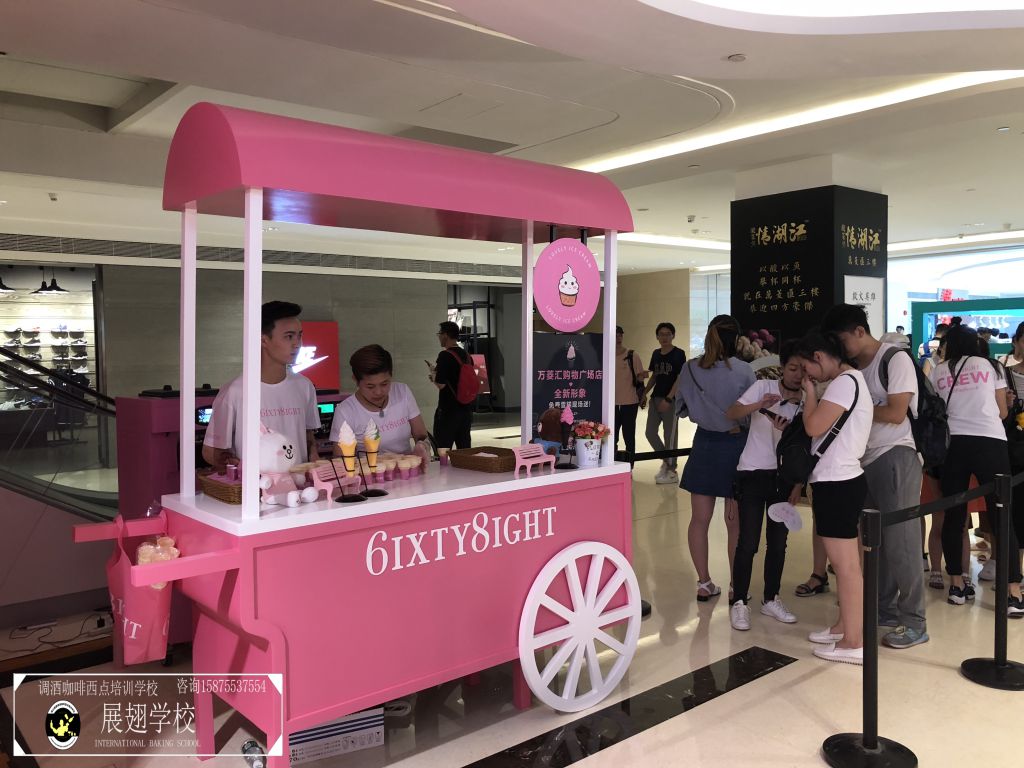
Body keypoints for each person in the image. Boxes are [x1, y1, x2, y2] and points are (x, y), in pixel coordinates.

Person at [823, 304, 928, 649]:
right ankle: (883, 609)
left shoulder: (894, 360)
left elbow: (897, 413)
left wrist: (856, 409)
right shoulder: (852, 369)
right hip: (861, 461)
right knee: (874, 541)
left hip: (895, 455)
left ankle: (914, 621)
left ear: (859, 331)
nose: (840, 348)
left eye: (842, 340)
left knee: (902, 541)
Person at [930, 326, 1022, 615]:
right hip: (989, 443)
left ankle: (957, 585)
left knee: (954, 515)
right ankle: (1013, 592)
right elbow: (1002, 412)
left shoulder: (939, 370)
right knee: (1001, 515)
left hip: (953, 446)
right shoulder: (991, 366)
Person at [794, 330, 873, 665]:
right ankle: (845, 627)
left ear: (819, 356)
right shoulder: (853, 380)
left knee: (846, 566)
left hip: (838, 481)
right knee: (847, 564)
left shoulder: (843, 382)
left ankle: (854, 642)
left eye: (807, 368)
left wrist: (810, 394)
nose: (808, 375)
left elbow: (813, 427)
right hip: (841, 479)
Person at [724, 340, 803, 631]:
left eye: (803, 370)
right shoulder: (762, 387)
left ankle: (771, 598)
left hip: (783, 478)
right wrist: (760, 405)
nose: (797, 375)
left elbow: (805, 447)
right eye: (792, 368)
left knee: (779, 542)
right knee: (748, 541)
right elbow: (732, 412)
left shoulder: (807, 402)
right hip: (752, 472)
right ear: (782, 368)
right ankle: (739, 601)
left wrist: (798, 484)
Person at [675, 315, 755, 602]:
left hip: (703, 445)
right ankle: (735, 586)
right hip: (736, 446)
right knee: (735, 524)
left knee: (699, 520)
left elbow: (680, 408)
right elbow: (751, 414)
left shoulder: (689, 368)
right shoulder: (744, 371)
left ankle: (704, 583)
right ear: (737, 339)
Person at [202, 301, 320, 472]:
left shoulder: (305, 386)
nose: (297, 344)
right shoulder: (235, 391)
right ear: (264, 340)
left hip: (300, 485)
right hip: (256, 487)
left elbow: (308, 436)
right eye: (289, 336)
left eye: (299, 336)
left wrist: (314, 456)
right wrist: (234, 465)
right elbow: (211, 451)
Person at [332, 344, 430, 462]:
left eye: (384, 384)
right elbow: (341, 460)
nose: (378, 392)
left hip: (407, 469)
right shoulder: (345, 411)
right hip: (370, 472)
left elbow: (421, 435)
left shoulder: (402, 392)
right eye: (370, 386)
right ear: (356, 380)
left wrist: (422, 446)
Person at [643, 322, 687, 484]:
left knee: (670, 437)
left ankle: (672, 470)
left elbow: (679, 379)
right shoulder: (656, 353)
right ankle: (667, 461)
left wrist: (669, 398)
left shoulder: (679, 354)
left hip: (671, 400)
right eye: (661, 334)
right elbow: (655, 376)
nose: (664, 337)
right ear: (657, 336)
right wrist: (644, 393)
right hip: (655, 399)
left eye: (668, 334)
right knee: (650, 432)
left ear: (673, 335)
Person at [431, 321, 473, 450]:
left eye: (439, 334)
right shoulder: (467, 356)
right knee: (464, 448)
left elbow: (441, 384)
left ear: (445, 335)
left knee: (442, 449)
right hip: (466, 410)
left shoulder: (445, 355)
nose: (438, 337)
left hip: (448, 410)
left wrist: (433, 376)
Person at [614, 326, 649, 466]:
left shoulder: (632, 355)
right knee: (612, 436)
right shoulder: (604, 354)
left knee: (629, 435)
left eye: (620, 335)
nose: (618, 338)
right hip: (611, 403)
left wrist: (643, 393)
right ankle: (612, 464)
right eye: (615, 335)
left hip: (629, 402)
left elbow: (640, 378)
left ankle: (630, 465)